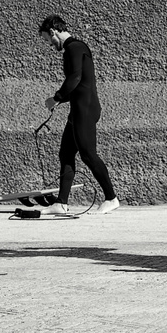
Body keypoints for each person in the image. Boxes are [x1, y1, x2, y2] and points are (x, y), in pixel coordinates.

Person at [39, 15, 120, 216]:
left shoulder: (74, 48)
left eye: (48, 40)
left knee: (88, 154)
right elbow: (78, 84)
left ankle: (111, 198)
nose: (50, 45)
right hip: (78, 109)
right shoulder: (74, 48)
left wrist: (56, 98)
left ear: (53, 31)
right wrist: (61, 99)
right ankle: (61, 203)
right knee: (66, 153)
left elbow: (75, 77)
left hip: (85, 109)